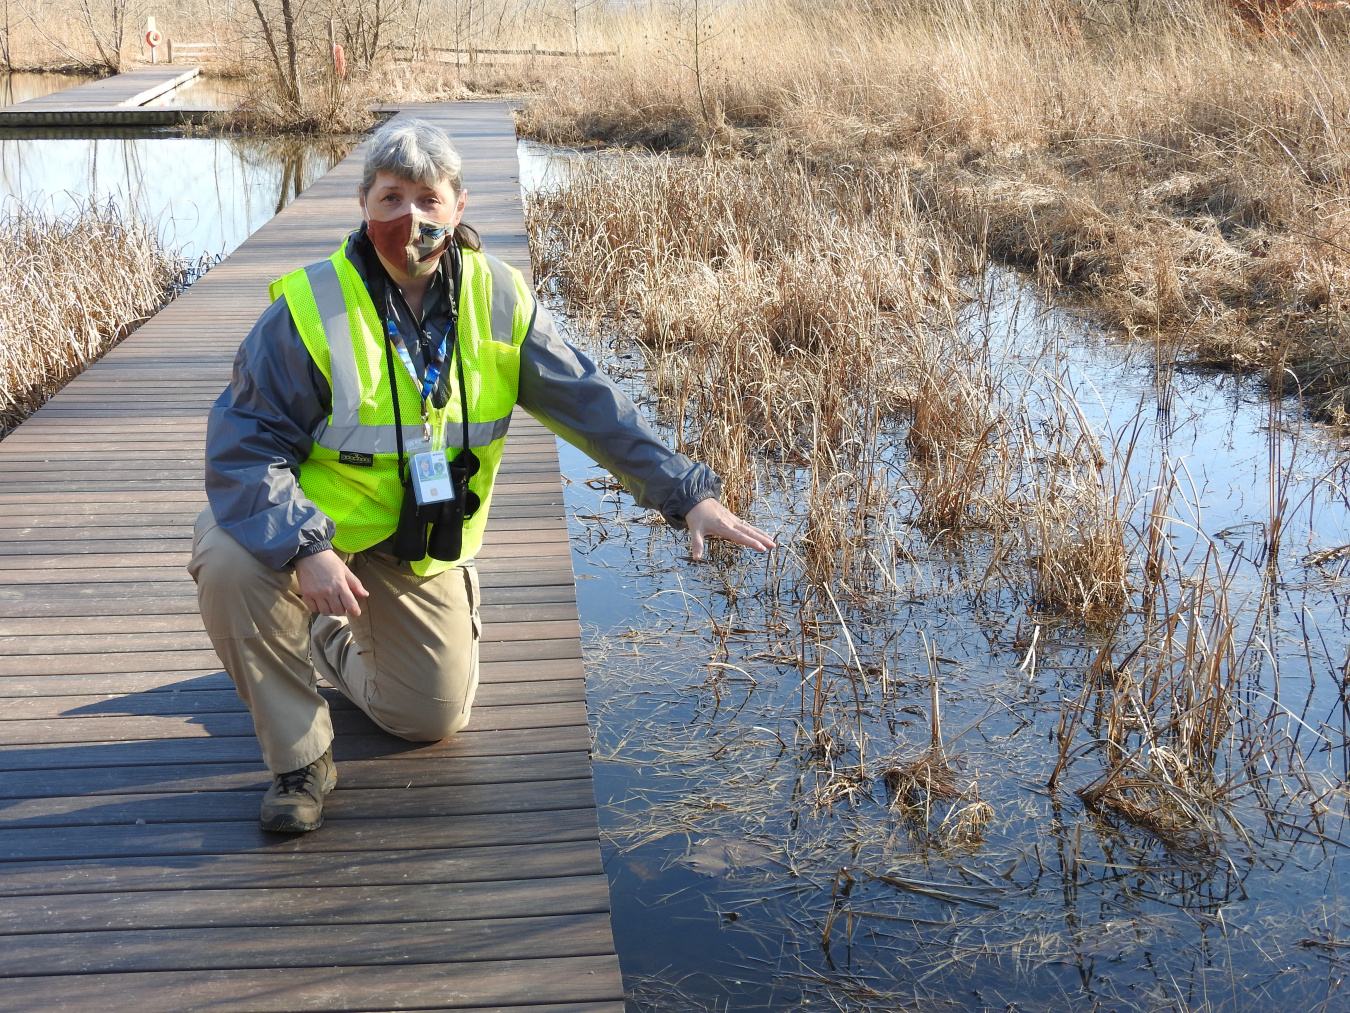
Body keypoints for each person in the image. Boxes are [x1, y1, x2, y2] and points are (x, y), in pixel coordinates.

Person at [189, 119, 775, 833]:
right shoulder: (312, 311)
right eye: (390, 198)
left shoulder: (500, 300)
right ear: (365, 207)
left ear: (458, 207)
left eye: (428, 200)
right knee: (227, 558)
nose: (410, 219)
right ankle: (301, 762)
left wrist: (687, 494)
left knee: (428, 717)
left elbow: (594, 406)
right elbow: (242, 448)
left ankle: (322, 636)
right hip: (315, 532)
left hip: (417, 541)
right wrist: (307, 548)